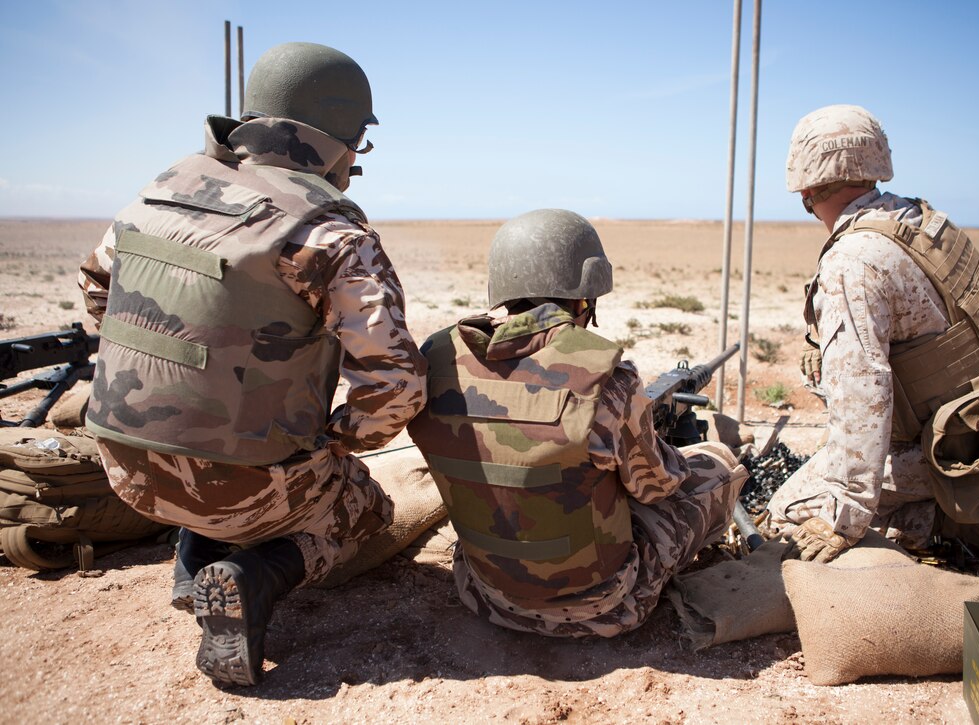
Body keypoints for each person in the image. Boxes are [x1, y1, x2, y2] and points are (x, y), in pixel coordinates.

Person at [77, 42, 427, 685]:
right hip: (246, 487)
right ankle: (252, 576)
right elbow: (396, 388)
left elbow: (98, 294)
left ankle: (193, 556)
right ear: (342, 134)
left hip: (125, 470)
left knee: (216, 464)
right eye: (359, 144)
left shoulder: (157, 193)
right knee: (366, 510)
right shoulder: (329, 232)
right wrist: (336, 440)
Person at [407, 209, 748, 637]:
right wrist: (648, 435)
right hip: (602, 605)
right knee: (716, 466)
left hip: (484, 592)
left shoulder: (436, 357)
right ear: (584, 298)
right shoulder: (606, 377)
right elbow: (657, 486)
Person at [767, 104, 979, 575]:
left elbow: (863, 393)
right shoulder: (922, 221)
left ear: (805, 186)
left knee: (785, 513)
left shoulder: (852, 263)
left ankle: (939, 519)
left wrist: (842, 518)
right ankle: (961, 502)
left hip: (937, 448)